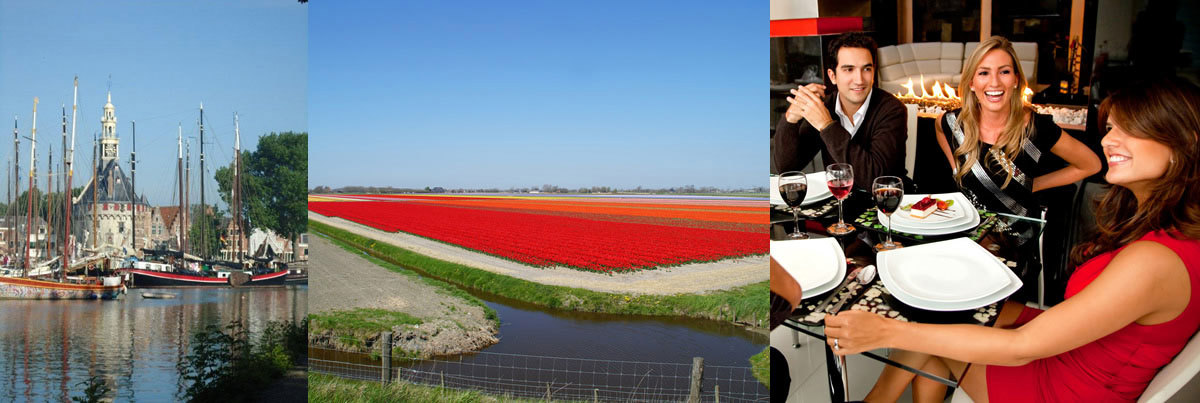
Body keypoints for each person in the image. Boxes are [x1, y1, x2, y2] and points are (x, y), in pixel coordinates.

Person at [824, 75, 1200, 402]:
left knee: (930, 330)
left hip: (1059, 388)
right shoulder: (1166, 231)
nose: (1108, 141)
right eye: (1112, 128)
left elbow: (1021, 349)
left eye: (1129, 129)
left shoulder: (1156, 261)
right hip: (1079, 348)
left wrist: (890, 331)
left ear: (1184, 140)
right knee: (945, 312)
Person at [934, 36, 1100, 218]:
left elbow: (1091, 164)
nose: (995, 82)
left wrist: (1035, 184)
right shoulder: (954, 122)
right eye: (984, 73)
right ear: (972, 83)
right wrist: (956, 169)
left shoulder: (1036, 127)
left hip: (1017, 233)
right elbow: (939, 127)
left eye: (1004, 72)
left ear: (1015, 80)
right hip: (968, 225)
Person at [772, 32, 908, 189]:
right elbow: (786, 168)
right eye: (849, 69)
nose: (859, 80)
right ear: (832, 76)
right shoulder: (827, 106)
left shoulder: (893, 110)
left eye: (866, 69)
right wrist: (790, 119)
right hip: (839, 201)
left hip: (886, 205)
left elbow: (875, 179)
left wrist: (827, 125)